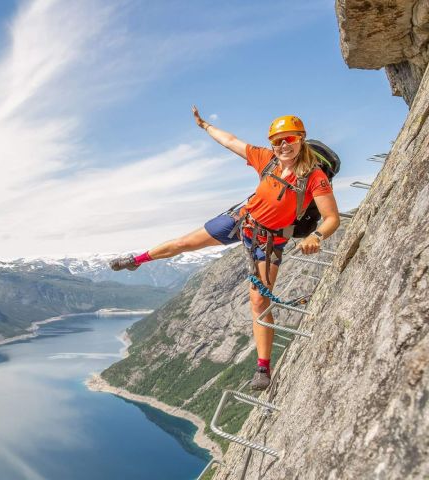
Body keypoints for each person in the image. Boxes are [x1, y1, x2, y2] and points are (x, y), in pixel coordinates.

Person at [109, 107, 340, 390]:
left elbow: (331, 218)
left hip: (269, 241)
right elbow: (231, 141)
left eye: (289, 139)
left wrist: (316, 235)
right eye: (277, 141)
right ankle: (137, 259)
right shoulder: (266, 160)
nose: (282, 146)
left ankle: (263, 368)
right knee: (185, 243)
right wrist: (205, 126)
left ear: (300, 139)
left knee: (259, 302)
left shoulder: (315, 177)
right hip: (241, 221)